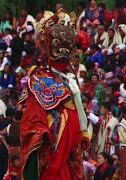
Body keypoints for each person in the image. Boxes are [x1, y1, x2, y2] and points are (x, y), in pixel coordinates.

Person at [19, 10, 88, 179]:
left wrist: (83, 131)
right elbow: (32, 115)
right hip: (53, 141)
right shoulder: (38, 77)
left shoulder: (72, 79)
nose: (63, 58)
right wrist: (41, 132)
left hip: (73, 143)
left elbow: (79, 109)